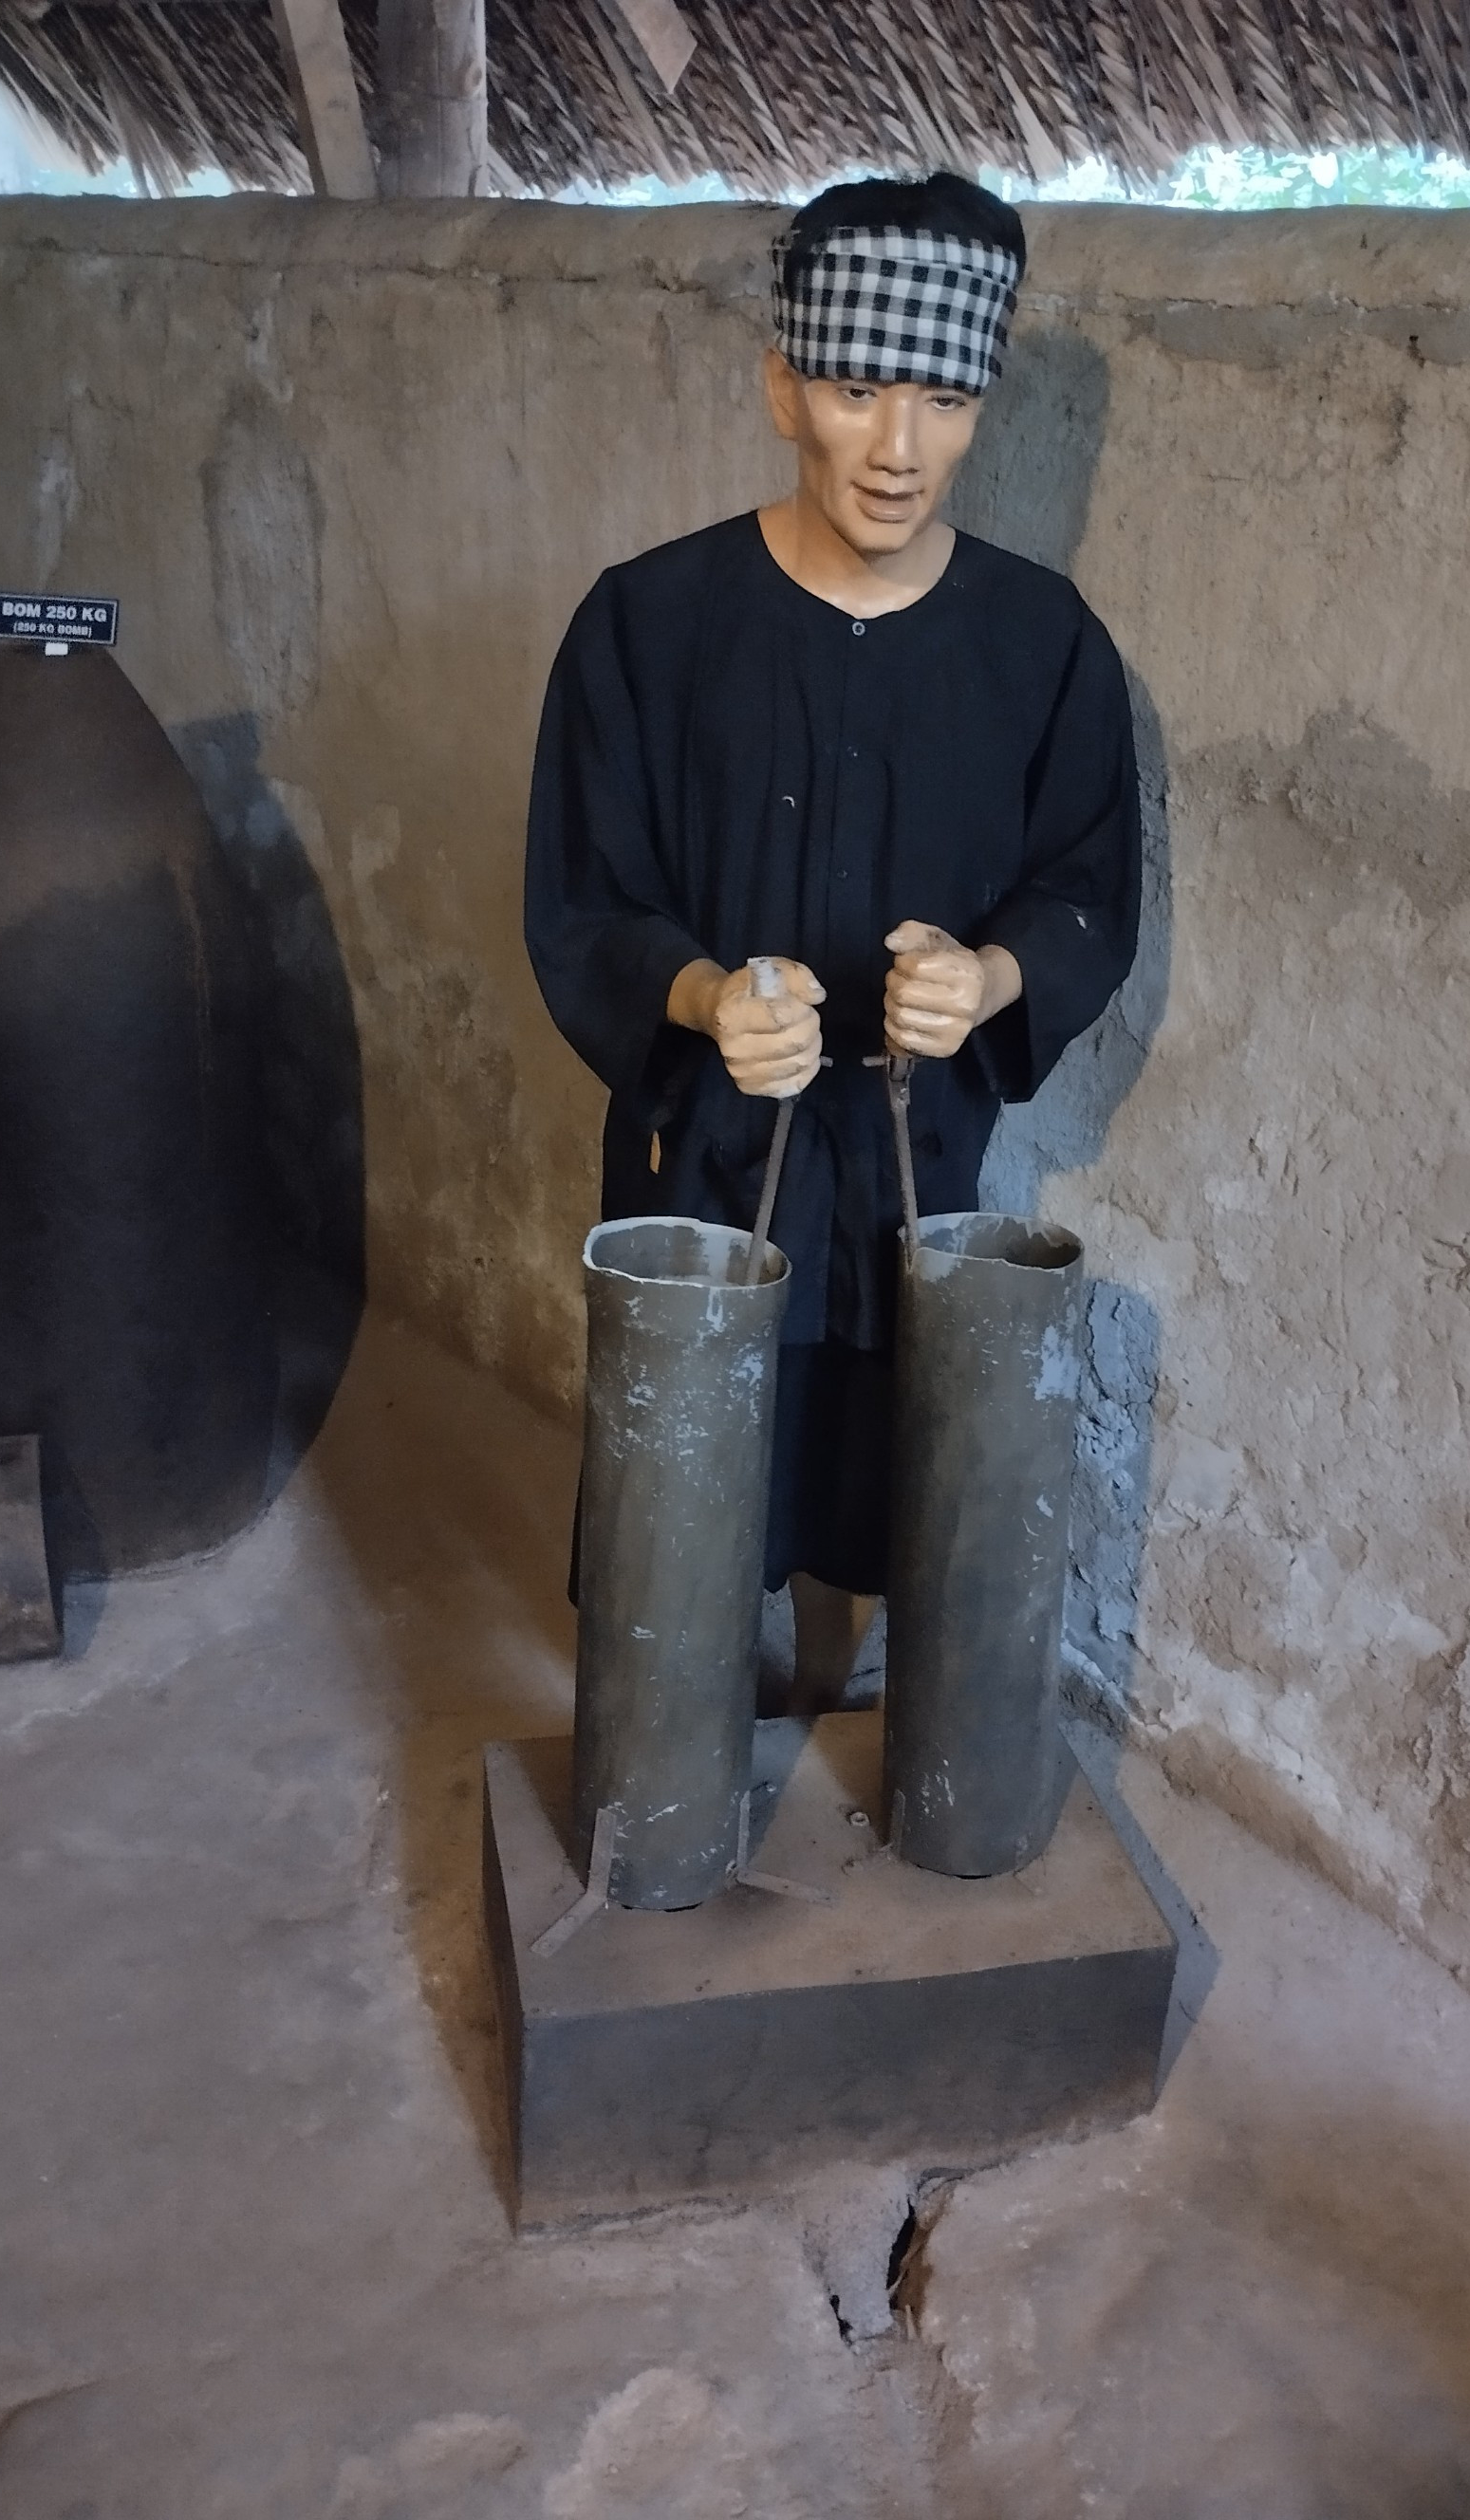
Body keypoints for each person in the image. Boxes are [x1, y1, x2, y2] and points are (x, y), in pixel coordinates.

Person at [526, 170, 1141, 1713]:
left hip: (912, 1157)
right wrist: (703, 996)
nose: (899, 448)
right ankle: (684, 1709)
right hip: (706, 1149)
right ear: (780, 385)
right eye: (857, 388)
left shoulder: (1041, 645)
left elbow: (1083, 890)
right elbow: (586, 892)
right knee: (696, 1458)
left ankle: (832, 1688)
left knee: (881, 1451)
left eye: (942, 396)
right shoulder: (647, 626)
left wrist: (986, 977)